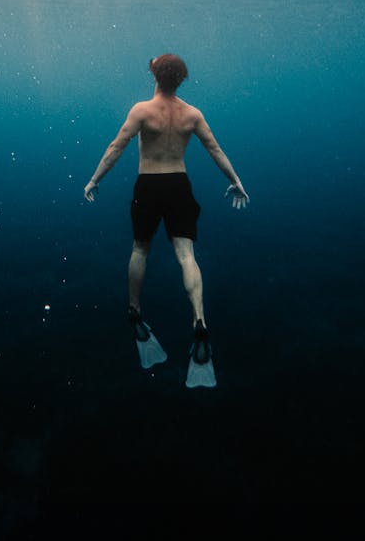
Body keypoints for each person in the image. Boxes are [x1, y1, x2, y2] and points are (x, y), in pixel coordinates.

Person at [83, 54, 248, 386]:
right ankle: (199, 321)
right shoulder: (192, 114)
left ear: (154, 75)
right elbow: (215, 149)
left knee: (140, 250)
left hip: (149, 184)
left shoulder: (141, 111)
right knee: (187, 255)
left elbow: (117, 146)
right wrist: (236, 180)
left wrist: (94, 179)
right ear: (181, 79)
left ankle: (134, 311)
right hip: (179, 185)